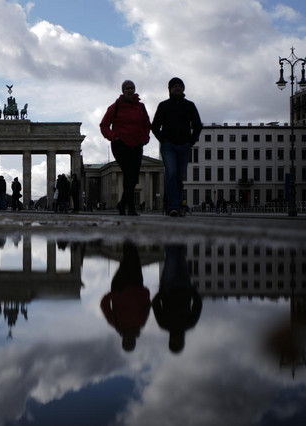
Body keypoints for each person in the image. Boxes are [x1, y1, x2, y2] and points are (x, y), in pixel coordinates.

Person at [151, 77, 202, 217]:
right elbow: (154, 126)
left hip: (184, 146)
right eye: (174, 86)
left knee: (179, 177)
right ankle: (173, 207)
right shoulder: (163, 105)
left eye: (180, 86)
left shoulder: (190, 105)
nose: (177, 88)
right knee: (171, 174)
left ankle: (176, 206)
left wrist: (191, 141)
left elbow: (198, 125)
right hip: (169, 146)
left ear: (183, 88)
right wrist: (163, 139)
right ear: (170, 89)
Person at [100, 80, 151, 216]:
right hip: (120, 145)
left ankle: (122, 204)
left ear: (135, 90)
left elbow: (147, 124)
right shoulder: (115, 107)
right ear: (123, 90)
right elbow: (104, 125)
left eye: (132, 88)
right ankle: (130, 208)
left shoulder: (141, 107)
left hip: (137, 144)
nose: (130, 90)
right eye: (127, 88)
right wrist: (113, 136)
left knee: (132, 177)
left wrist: (145, 138)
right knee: (129, 173)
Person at [100, 241, 150, 352]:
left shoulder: (116, 324)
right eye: (130, 342)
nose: (129, 340)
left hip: (120, 285)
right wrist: (145, 292)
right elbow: (147, 306)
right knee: (133, 258)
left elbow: (104, 304)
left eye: (126, 342)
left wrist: (115, 293)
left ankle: (128, 238)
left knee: (128, 260)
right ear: (134, 341)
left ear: (123, 340)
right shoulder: (140, 323)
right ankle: (129, 239)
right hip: (136, 285)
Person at [152, 244, 202, 353]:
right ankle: (177, 237)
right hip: (183, 285)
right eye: (179, 343)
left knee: (172, 259)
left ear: (170, 341)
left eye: (174, 342)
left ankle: (171, 237)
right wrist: (192, 290)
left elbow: (155, 305)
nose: (176, 340)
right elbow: (198, 305)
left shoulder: (164, 324)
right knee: (179, 256)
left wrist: (162, 292)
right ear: (183, 341)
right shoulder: (189, 323)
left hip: (170, 286)